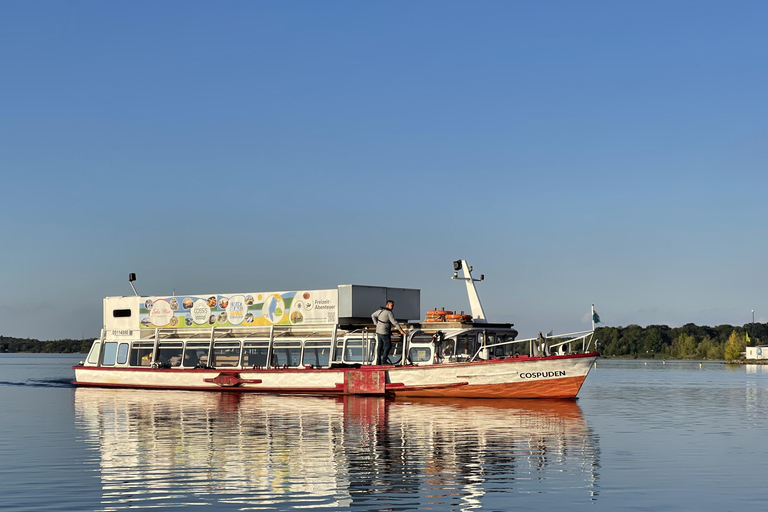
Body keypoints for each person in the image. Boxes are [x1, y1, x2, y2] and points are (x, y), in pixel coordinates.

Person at [372, 300, 406, 365]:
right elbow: (394, 322)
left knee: (380, 346)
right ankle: (384, 360)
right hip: (384, 332)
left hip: (378, 331)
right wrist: (401, 331)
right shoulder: (389, 313)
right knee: (388, 346)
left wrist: (376, 323)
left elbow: (372, 315)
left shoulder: (380, 311)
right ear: (387, 305)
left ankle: (378, 361)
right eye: (391, 305)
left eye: (393, 306)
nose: (392, 307)